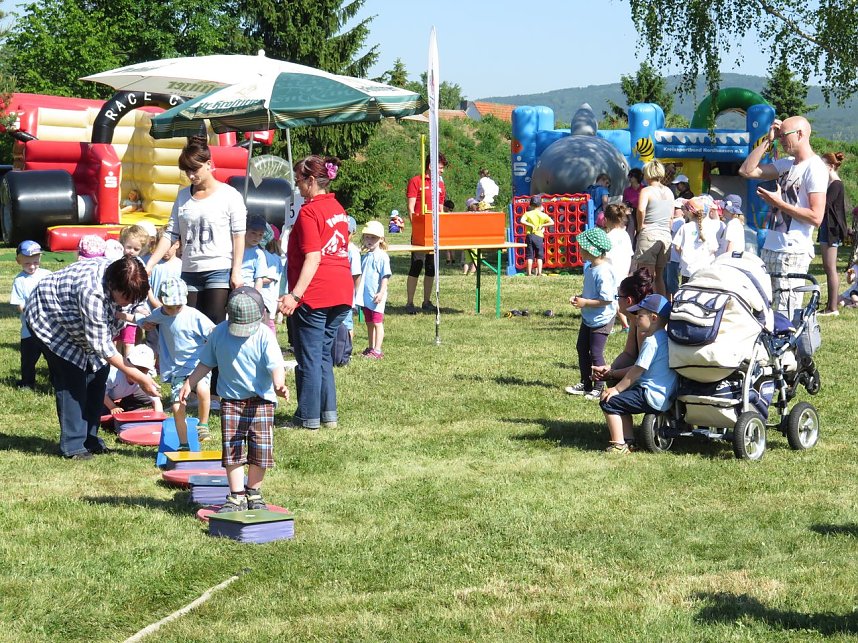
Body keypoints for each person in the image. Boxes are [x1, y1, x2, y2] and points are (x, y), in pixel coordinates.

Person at [25, 256, 159, 460]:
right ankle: (74, 446)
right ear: (112, 285)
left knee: (99, 375)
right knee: (73, 380)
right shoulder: (91, 292)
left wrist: (141, 315)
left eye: (135, 297)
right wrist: (140, 378)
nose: (130, 302)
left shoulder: (133, 276)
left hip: (82, 325)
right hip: (51, 320)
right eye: (127, 298)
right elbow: (103, 347)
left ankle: (90, 438)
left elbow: (137, 305)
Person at [180, 287, 288, 513]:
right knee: (232, 448)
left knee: (261, 449)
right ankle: (237, 495)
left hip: (261, 401)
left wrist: (279, 384)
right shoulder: (219, 333)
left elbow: (276, 365)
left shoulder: (264, 335)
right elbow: (206, 363)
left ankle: (254, 492)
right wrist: (189, 383)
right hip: (230, 400)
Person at [278, 155, 353, 430]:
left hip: (316, 293)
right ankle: (328, 415)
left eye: (298, 180)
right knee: (322, 355)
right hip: (342, 291)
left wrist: (294, 296)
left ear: (311, 180)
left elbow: (313, 257)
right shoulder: (337, 208)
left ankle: (307, 418)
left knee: (309, 356)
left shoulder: (309, 212)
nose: (297, 186)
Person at [146, 135, 247, 326]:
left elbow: (238, 235)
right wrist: (150, 264)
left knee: (212, 326)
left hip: (218, 270)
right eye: (187, 171)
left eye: (195, 169)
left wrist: (236, 271)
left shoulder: (230, 195)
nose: (191, 176)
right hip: (190, 270)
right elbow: (171, 233)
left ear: (209, 164)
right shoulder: (183, 196)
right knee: (187, 324)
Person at [739, 115, 827, 318]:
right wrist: (768, 140)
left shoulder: (815, 168)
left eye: (783, 135)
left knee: (785, 313)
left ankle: (789, 349)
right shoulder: (786, 164)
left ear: (800, 134)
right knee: (763, 307)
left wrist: (779, 204)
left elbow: (816, 217)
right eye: (779, 135)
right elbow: (746, 170)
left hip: (793, 251)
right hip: (771, 246)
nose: (781, 139)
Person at [128, 278, 215, 447]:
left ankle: (203, 426)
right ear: (161, 301)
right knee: (176, 407)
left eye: (178, 306)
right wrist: (120, 315)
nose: (174, 311)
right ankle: (183, 443)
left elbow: (213, 332)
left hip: (198, 365)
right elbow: (141, 320)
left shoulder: (194, 316)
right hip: (177, 369)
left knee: (203, 389)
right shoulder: (160, 314)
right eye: (169, 307)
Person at [599, 294, 678, 455]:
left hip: (650, 395)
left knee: (609, 401)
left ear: (654, 318)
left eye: (640, 315)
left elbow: (637, 370)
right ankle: (629, 442)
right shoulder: (667, 338)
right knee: (622, 400)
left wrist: (616, 390)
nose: (635, 319)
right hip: (665, 395)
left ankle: (619, 445)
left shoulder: (651, 341)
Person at [566, 227, 616, 400]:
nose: (580, 250)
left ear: (591, 249)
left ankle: (599, 385)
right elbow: (591, 294)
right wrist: (580, 298)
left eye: (582, 247)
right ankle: (585, 383)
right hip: (589, 317)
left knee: (595, 352)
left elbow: (607, 299)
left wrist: (585, 302)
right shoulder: (590, 269)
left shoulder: (603, 272)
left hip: (602, 319)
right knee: (582, 348)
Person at [591, 268, 656, 391]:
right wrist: (609, 369)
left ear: (628, 300)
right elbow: (629, 354)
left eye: (618, 296)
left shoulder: (645, 328)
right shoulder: (634, 320)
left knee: (610, 394)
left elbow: (642, 368)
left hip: (652, 382)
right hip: (642, 373)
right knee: (612, 382)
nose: (617, 300)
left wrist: (611, 374)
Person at [405, 153, 446, 314]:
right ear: (431, 166)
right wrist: (416, 228)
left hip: (435, 234)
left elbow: (441, 209)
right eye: (440, 167)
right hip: (420, 233)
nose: (442, 171)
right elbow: (410, 207)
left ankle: (427, 301)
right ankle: (409, 302)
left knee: (431, 267)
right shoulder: (416, 181)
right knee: (416, 265)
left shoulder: (441, 185)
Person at [10, 240, 51, 390]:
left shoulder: (47, 275)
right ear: (18, 261)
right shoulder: (19, 281)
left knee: (52, 357)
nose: (32, 266)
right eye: (27, 263)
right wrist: (31, 312)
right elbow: (18, 304)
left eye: (35, 262)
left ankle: (56, 379)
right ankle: (27, 382)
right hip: (29, 329)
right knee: (28, 358)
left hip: (48, 328)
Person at [634, 160, 674, 296]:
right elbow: (671, 216)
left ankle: (645, 310)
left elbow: (640, 209)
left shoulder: (646, 191)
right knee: (659, 277)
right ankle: (661, 310)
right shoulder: (669, 192)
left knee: (645, 277)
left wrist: (640, 227)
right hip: (665, 236)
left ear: (647, 174)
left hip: (650, 234)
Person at [818, 152, 849, 315]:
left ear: (830, 167)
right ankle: (832, 303)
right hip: (827, 228)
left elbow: (825, 206)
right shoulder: (832, 184)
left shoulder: (836, 184)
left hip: (831, 230)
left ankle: (832, 308)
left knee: (830, 268)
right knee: (828, 267)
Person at [356, 220, 392, 359]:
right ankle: (370, 347)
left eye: (373, 238)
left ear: (381, 239)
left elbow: (385, 276)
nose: (369, 240)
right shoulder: (365, 257)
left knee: (377, 323)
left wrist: (381, 292)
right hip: (366, 297)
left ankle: (377, 350)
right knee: (369, 322)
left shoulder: (382, 256)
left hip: (376, 297)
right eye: (367, 237)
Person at [103, 344, 163, 415]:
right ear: (128, 363)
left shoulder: (146, 377)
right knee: (101, 411)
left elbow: (156, 400)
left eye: (144, 369)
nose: (139, 373)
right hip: (106, 396)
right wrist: (112, 407)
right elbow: (101, 392)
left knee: (147, 398)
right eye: (137, 368)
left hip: (128, 393)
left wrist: (159, 418)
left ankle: (125, 404)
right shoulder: (114, 376)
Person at [673, 197, 718, 282]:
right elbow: (714, 248)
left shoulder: (685, 227)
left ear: (689, 212)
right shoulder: (710, 227)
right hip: (706, 270)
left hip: (688, 270)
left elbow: (677, 248)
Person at [604, 204, 633, 330]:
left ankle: (625, 325)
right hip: (624, 271)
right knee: (622, 298)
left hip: (611, 272)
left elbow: (605, 257)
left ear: (607, 219)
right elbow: (630, 254)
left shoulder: (608, 237)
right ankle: (628, 323)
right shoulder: (625, 235)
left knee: (614, 300)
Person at [519, 195, 554, 276]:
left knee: (529, 255)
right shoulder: (543, 215)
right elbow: (552, 222)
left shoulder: (527, 213)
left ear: (530, 205)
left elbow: (521, 220)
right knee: (539, 255)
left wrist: (530, 225)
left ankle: (529, 273)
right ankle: (539, 272)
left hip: (529, 235)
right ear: (540, 205)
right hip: (539, 236)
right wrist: (543, 226)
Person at [242, 215, 269, 292]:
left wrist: (255, 297)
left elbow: (259, 279)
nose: (257, 237)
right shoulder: (234, 248)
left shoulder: (259, 254)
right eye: (253, 233)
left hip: (247, 291)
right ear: (245, 231)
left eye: (260, 234)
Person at [623, 168, 644, 246]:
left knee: (641, 232)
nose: (629, 178)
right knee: (630, 232)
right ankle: (630, 250)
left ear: (636, 177)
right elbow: (624, 203)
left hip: (642, 212)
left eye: (631, 176)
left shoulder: (644, 189)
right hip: (630, 213)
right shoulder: (627, 190)